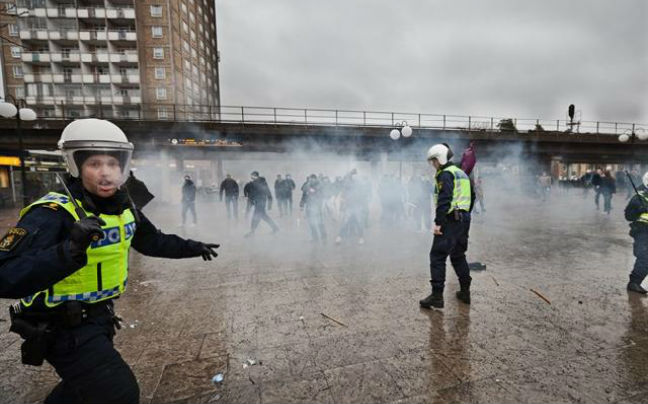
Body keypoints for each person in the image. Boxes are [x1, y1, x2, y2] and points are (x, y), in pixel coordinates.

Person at [0, 119, 219, 404]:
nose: (106, 173)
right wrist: (68, 249)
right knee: (118, 392)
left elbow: (152, 241)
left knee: (83, 389)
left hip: (99, 317)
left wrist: (193, 247)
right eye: (94, 164)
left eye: (113, 164)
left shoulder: (123, 205)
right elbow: (5, 275)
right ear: (75, 166)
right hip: (60, 325)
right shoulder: (53, 212)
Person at [420, 143, 474, 309]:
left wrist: (438, 223)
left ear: (440, 158)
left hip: (451, 219)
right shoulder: (462, 174)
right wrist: (465, 216)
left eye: (434, 161)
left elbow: (444, 200)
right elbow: (473, 196)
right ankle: (465, 292)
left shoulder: (445, 174)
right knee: (458, 255)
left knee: (437, 256)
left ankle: (437, 296)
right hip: (464, 218)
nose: (433, 165)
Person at [624, 172, 648, 294]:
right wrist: (639, 210)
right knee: (645, 257)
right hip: (643, 231)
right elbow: (628, 215)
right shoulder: (639, 198)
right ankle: (634, 282)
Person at [245, 171, 279, 237]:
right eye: (252, 176)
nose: (252, 177)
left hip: (261, 202)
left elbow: (268, 192)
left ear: (257, 176)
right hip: (257, 202)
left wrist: (269, 204)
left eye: (254, 176)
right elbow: (252, 194)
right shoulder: (253, 183)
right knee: (263, 216)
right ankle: (275, 228)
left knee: (256, 216)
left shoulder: (262, 183)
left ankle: (252, 231)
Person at [300, 174, 327, 243]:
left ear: (315, 179)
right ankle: (315, 237)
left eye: (313, 179)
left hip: (317, 206)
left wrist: (315, 192)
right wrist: (302, 204)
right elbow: (304, 195)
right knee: (311, 223)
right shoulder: (307, 185)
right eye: (310, 179)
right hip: (309, 206)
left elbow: (322, 195)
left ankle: (323, 236)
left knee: (319, 222)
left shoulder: (319, 185)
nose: (311, 180)